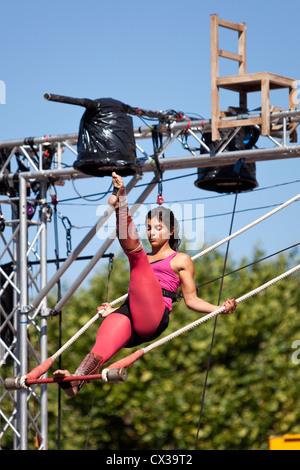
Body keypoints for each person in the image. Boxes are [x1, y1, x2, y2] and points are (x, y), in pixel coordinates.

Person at [54, 172, 237, 397]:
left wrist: (219, 309)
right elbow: (136, 293)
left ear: (171, 231)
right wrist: (112, 311)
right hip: (132, 311)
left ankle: (121, 204)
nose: (151, 233)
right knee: (101, 348)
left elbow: (191, 300)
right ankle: (75, 383)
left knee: (136, 258)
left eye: (157, 228)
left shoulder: (180, 260)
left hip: (154, 315)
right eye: (148, 227)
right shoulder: (143, 258)